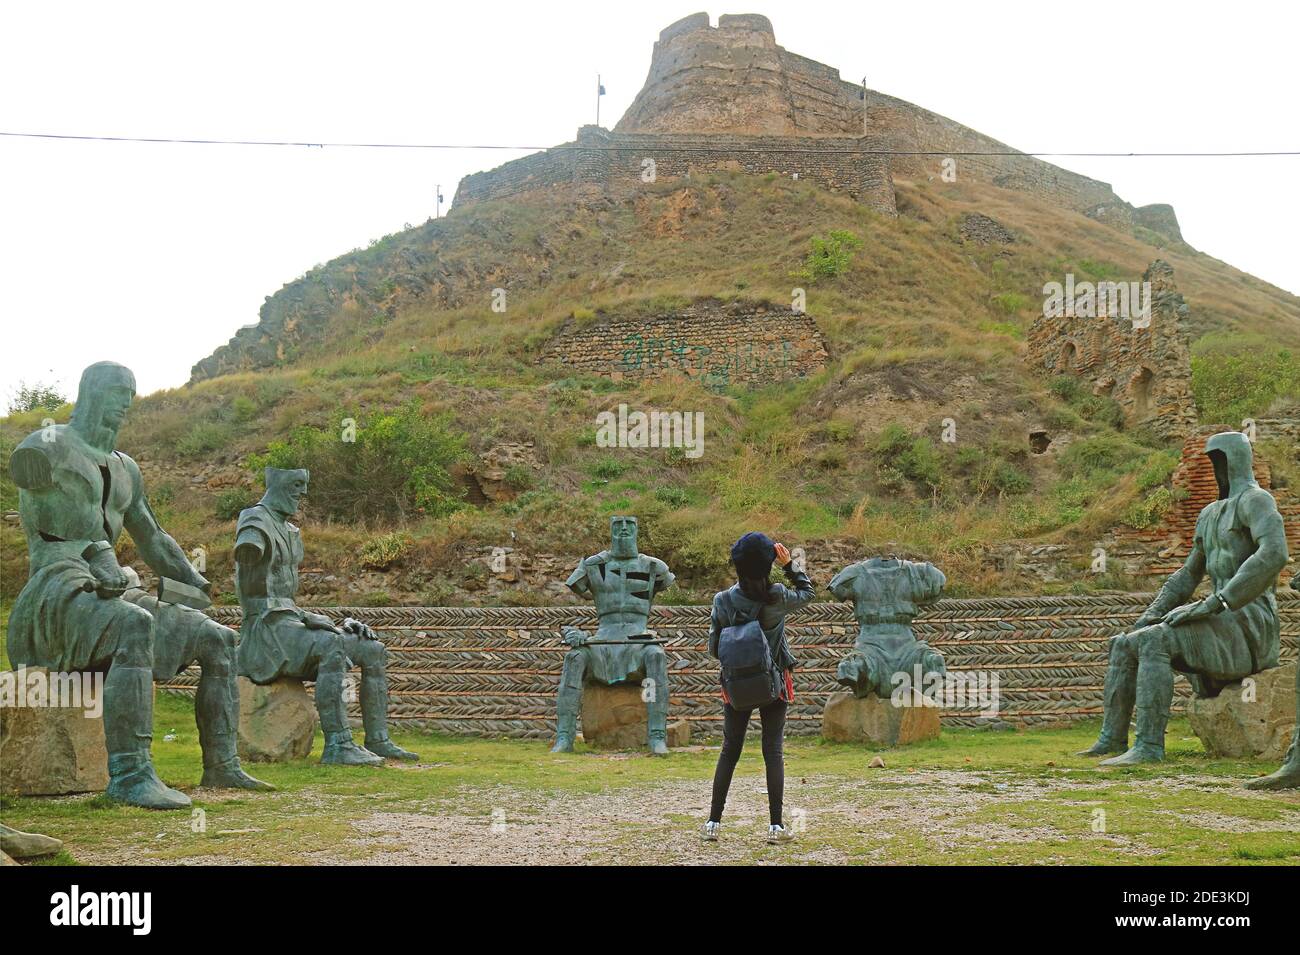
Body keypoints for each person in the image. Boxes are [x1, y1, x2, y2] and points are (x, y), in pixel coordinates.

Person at [7, 361, 270, 809]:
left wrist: (192, 580)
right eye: (114, 391)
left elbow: (152, 536)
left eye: (128, 393)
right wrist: (96, 554)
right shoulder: (45, 449)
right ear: (89, 392)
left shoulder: (126, 468)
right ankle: (130, 774)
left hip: (109, 587)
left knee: (217, 638)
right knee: (133, 624)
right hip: (54, 591)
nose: (123, 402)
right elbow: (53, 529)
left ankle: (222, 764)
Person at [235, 468, 418, 765]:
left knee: (371, 648)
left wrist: (323, 619)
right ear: (278, 484)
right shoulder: (254, 519)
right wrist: (311, 620)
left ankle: (378, 740)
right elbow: (253, 585)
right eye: (296, 484)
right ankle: (338, 745)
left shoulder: (291, 531)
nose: (302, 493)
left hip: (290, 623)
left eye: (304, 485)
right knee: (330, 644)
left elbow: (286, 599)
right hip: (265, 631)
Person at [703, 533, 814, 844]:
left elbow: (715, 648)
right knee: (772, 751)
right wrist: (790, 564)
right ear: (768, 565)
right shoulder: (777, 596)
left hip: (736, 686)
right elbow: (808, 592)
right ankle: (776, 827)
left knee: (730, 750)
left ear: (737, 566)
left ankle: (713, 823)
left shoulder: (722, 601)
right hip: (775, 683)